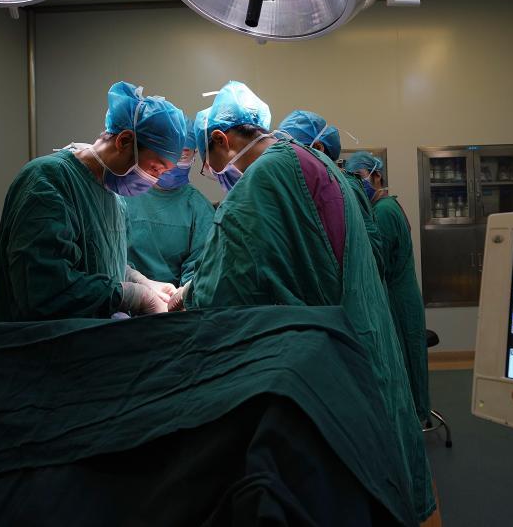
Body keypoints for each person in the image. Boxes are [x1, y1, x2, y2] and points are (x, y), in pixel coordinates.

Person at [171, 82, 435, 521]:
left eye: (209, 163)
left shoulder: (266, 177)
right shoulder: (311, 160)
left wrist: (183, 296)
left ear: (220, 139)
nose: (215, 174)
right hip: (365, 340)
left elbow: (228, 285)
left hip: (334, 363)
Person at [0, 82, 188, 323]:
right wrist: (132, 296)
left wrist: (143, 283)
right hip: (36, 341)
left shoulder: (114, 198)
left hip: (86, 339)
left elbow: (101, 263)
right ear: (125, 141)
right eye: (155, 168)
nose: (155, 179)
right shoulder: (48, 181)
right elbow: (42, 290)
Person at [345, 151, 432, 425]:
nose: (357, 184)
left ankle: (415, 420)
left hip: (398, 298)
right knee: (408, 360)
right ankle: (415, 415)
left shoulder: (383, 212)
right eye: (352, 178)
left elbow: (377, 261)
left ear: (377, 176)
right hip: (400, 294)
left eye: (360, 177)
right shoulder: (387, 206)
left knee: (406, 361)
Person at [278, 110, 385, 276]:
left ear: (318, 147)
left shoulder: (345, 188)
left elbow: (369, 256)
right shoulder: (309, 189)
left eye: (292, 151)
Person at [124, 114, 215, 287]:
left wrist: (179, 297)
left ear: (194, 155)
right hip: (122, 294)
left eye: (182, 156)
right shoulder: (124, 194)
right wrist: (134, 289)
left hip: (171, 300)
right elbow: (110, 257)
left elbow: (199, 273)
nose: (171, 164)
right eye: (167, 154)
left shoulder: (199, 209)